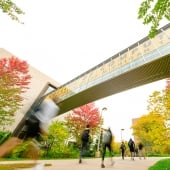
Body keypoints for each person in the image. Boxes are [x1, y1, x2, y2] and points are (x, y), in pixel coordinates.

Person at [0, 97, 60, 170]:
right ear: (57, 102)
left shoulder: (46, 101)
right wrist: (44, 130)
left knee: (20, 140)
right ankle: (36, 166)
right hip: (37, 124)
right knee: (34, 144)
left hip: (31, 119)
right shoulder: (54, 107)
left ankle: (35, 165)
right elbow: (46, 118)